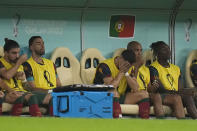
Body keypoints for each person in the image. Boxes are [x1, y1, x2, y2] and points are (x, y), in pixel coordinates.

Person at [93, 49, 150, 119]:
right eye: (125, 64)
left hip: (119, 96)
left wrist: (126, 73)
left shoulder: (129, 68)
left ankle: (145, 121)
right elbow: (111, 87)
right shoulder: (104, 65)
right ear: (120, 58)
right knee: (113, 93)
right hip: (102, 96)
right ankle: (118, 119)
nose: (126, 66)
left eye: (128, 65)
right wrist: (121, 72)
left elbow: (136, 88)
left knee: (144, 94)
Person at [0, 38, 42, 116]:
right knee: (31, 97)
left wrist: (24, 81)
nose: (17, 56)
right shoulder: (13, 63)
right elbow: (7, 76)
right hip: (11, 93)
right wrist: (19, 62)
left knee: (51, 97)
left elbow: (27, 87)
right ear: (5, 53)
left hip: (23, 92)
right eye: (14, 53)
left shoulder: (18, 65)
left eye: (18, 53)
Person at [23, 36, 61, 116]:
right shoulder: (27, 65)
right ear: (31, 47)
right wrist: (50, 91)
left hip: (53, 93)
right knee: (53, 99)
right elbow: (32, 87)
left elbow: (59, 84)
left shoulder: (51, 63)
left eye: (43, 43)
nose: (42, 46)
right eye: (38, 43)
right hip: (40, 94)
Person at [149, 41, 185, 119]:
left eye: (168, 48)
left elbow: (180, 88)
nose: (168, 51)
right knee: (177, 98)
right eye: (164, 49)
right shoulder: (153, 68)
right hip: (162, 95)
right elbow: (159, 87)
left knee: (189, 97)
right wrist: (175, 93)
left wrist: (188, 92)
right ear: (157, 53)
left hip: (175, 94)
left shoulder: (176, 68)